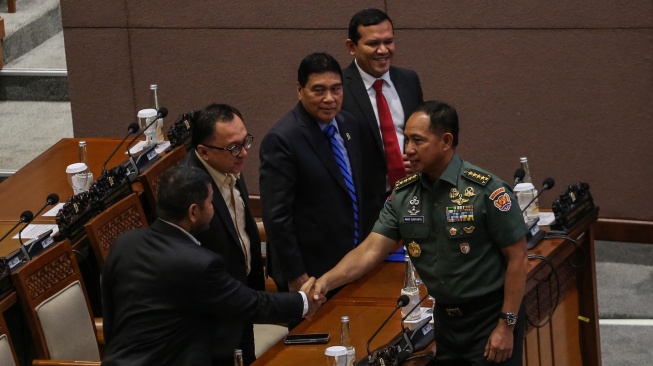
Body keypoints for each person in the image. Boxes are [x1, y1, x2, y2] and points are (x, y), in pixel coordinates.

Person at [313, 101, 528, 365]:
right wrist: (325, 282)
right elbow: (369, 251)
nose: (408, 150)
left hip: (489, 318)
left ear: (446, 141)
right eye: (407, 140)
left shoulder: (486, 191)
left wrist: (506, 326)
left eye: (418, 141)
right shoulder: (404, 195)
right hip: (446, 323)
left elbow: (518, 259)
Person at [102, 166, 319, 366]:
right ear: (193, 212)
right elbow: (249, 304)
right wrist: (303, 300)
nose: (213, 209)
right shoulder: (198, 263)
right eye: (211, 202)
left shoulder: (124, 244)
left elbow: (110, 315)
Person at [259, 52, 366, 301]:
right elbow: (277, 216)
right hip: (311, 270)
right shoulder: (283, 139)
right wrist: (296, 274)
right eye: (318, 90)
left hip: (351, 261)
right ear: (299, 90)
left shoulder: (349, 124)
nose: (329, 98)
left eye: (336, 89)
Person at [181, 103, 264, 363]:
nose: (243, 153)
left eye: (245, 141)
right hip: (214, 322)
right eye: (233, 148)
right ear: (204, 152)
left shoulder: (227, 164)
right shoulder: (189, 191)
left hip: (241, 302)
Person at [342, 8, 424, 235]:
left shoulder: (409, 80)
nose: (383, 50)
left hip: (413, 196)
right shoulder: (338, 89)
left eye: (389, 41)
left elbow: (421, 134)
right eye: (373, 43)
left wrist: (419, 159)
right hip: (363, 206)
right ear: (351, 47)